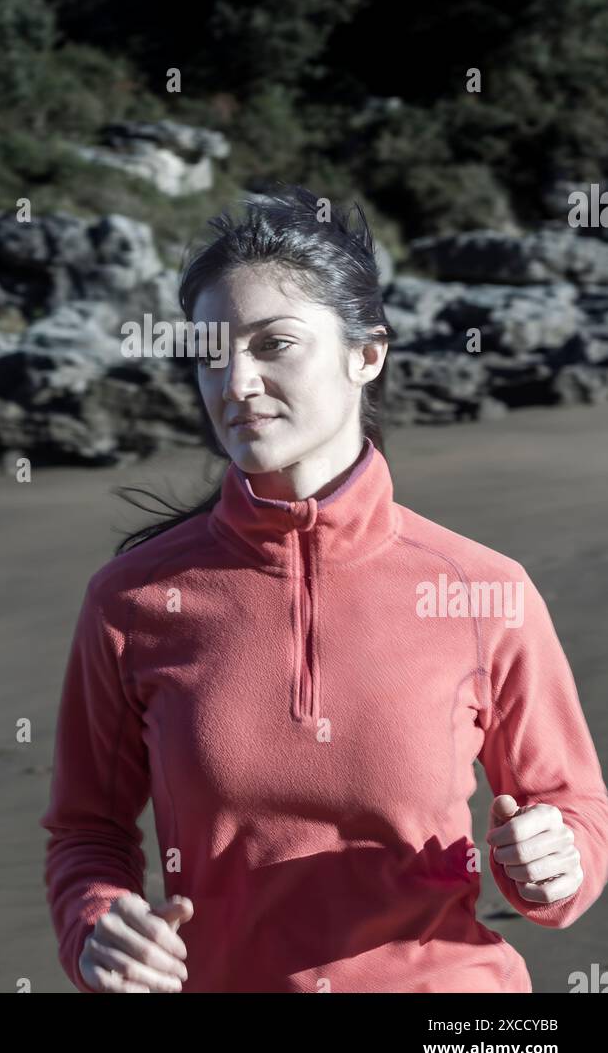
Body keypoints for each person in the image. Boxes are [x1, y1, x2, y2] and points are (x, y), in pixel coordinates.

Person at [39, 184, 608, 993]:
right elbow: (86, 830)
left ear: (366, 352)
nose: (233, 383)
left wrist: (554, 865)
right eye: (211, 353)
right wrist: (97, 926)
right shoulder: (133, 600)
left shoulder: (484, 590)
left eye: (273, 343)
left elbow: (575, 811)